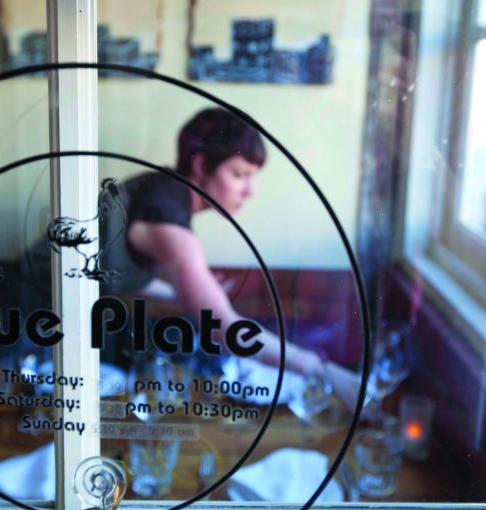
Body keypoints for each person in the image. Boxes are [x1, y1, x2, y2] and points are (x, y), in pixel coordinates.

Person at [101, 107, 325, 377]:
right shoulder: (168, 221)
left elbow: (119, 270)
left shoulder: (160, 190)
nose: (250, 191)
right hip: (44, 336)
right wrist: (318, 369)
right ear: (202, 165)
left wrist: (187, 288)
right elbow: (223, 326)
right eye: (239, 175)